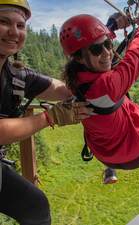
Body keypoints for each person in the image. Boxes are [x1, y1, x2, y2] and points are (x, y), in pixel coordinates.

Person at [0, 1, 92, 224]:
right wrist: (51, 117)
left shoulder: (16, 75)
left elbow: (60, 89)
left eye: (21, 25)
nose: (14, 32)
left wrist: (96, 77)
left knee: (35, 206)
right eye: (3, 22)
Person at [59, 12, 139, 184]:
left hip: (105, 156)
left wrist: (111, 25)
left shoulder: (74, 80)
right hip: (138, 153)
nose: (108, 52)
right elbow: (135, 55)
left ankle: (111, 171)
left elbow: (91, 43)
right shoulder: (109, 85)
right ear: (78, 57)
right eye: (97, 50)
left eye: (108, 44)